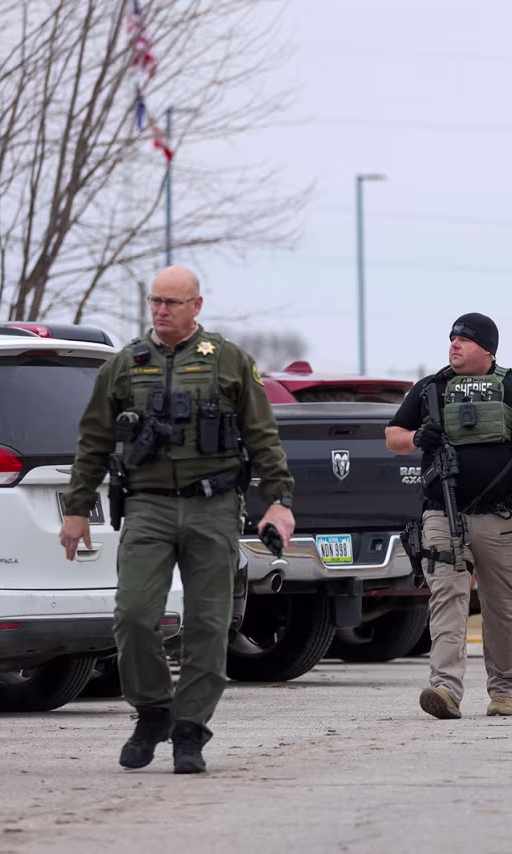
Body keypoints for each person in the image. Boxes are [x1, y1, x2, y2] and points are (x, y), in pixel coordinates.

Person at [60, 266, 295, 774]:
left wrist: (279, 500)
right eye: (155, 301)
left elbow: (263, 436)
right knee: (134, 616)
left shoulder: (230, 361)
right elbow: (94, 440)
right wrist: (77, 509)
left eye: (172, 302)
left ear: (197, 306)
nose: (161, 310)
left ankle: (190, 730)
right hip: (147, 507)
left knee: (209, 625)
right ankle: (152, 710)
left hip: (213, 509)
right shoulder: (124, 365)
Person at [386, 313, 512, 720]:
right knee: (446, 598)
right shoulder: (431, 388)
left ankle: (503, 691)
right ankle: (445, 689)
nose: (454, 345)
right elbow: (392, 437)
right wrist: (416, 437)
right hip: (441, 514)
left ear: (488, 349)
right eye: (451, 338)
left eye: (464, 340)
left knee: (501, 606)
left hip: (499, 518)